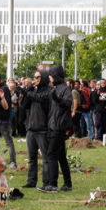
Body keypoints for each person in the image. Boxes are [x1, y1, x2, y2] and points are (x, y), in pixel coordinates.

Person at [41, 64, 73, 193]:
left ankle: (52, 184)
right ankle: (67, 184)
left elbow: (67, 103)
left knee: (51, 154)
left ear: (56, 76)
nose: (49, 78)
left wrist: (57, 98)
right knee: (60, 156)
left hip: (59, 126)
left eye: (51, 76)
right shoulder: (54, 89)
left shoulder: (65, 89)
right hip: (53, 125)